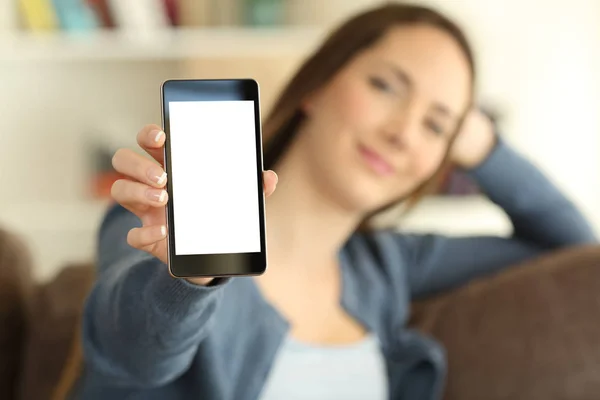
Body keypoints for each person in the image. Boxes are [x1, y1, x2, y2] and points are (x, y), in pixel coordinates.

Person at [73, 3, 597, 400]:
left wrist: (482, 145)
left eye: (437, 125)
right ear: (318, 84)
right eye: (387, 86)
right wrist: (185, 278)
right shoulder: (161, 229)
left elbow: (577, 255)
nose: (404, 133)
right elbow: (133, 353)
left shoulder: (388, 265)